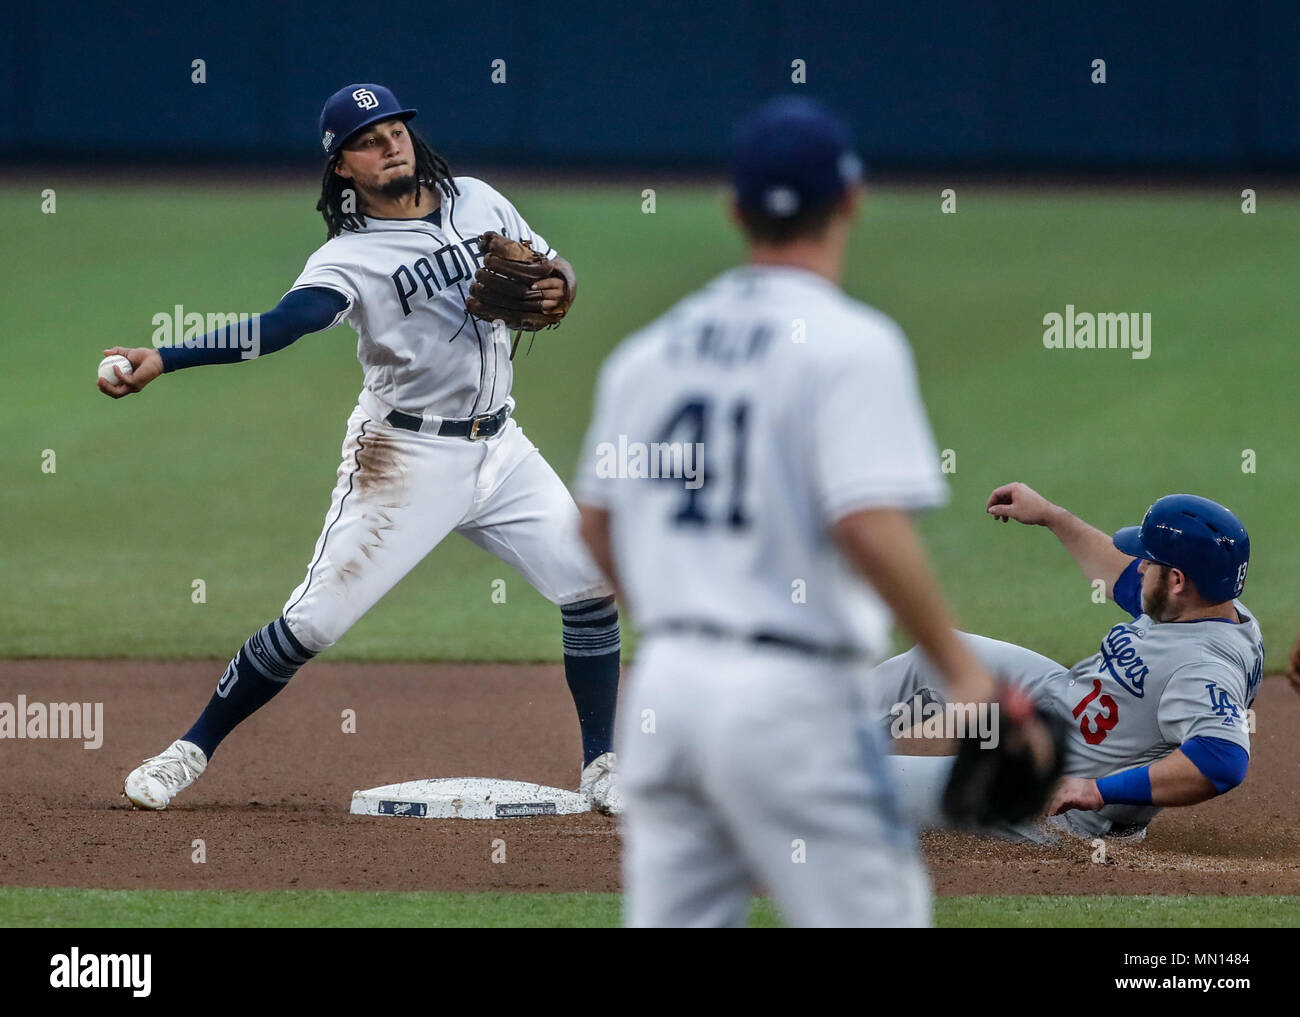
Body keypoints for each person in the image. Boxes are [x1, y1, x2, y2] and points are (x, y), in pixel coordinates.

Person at [102, 83, 623, 813]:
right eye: (369, 140)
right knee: (312, 622)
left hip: (502, 449)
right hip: (403, 461)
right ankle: (186, 751)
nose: (391, 144)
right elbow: (279, 326)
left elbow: (555, 267)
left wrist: (559, 287)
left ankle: (602, 766)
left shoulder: (479, 200)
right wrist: (169, 356)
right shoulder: (349, 259)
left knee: (591, 585)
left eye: (396, 130)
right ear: (342, 166)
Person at [574, 96, 1028, 927]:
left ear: (734, 209)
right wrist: (964, 677)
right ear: (851, 199)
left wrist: (686, 620)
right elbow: (867, 524)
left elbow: (594, 524)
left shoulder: (651, 351)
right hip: (791, 701)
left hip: (667, 697)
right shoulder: (853, 345)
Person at [870, 482, 1263, 843]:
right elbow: (1121, 575)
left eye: (1148, 561)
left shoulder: (1202, 668)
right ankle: (820, 732)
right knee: (937, 657)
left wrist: (1097, 790)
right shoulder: (1201, 604)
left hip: (1050, 798)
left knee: (866, 783)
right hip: (1062, 708)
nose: (1139, 566)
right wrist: (1051, 516)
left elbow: (1222, 761)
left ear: (1176, 580)